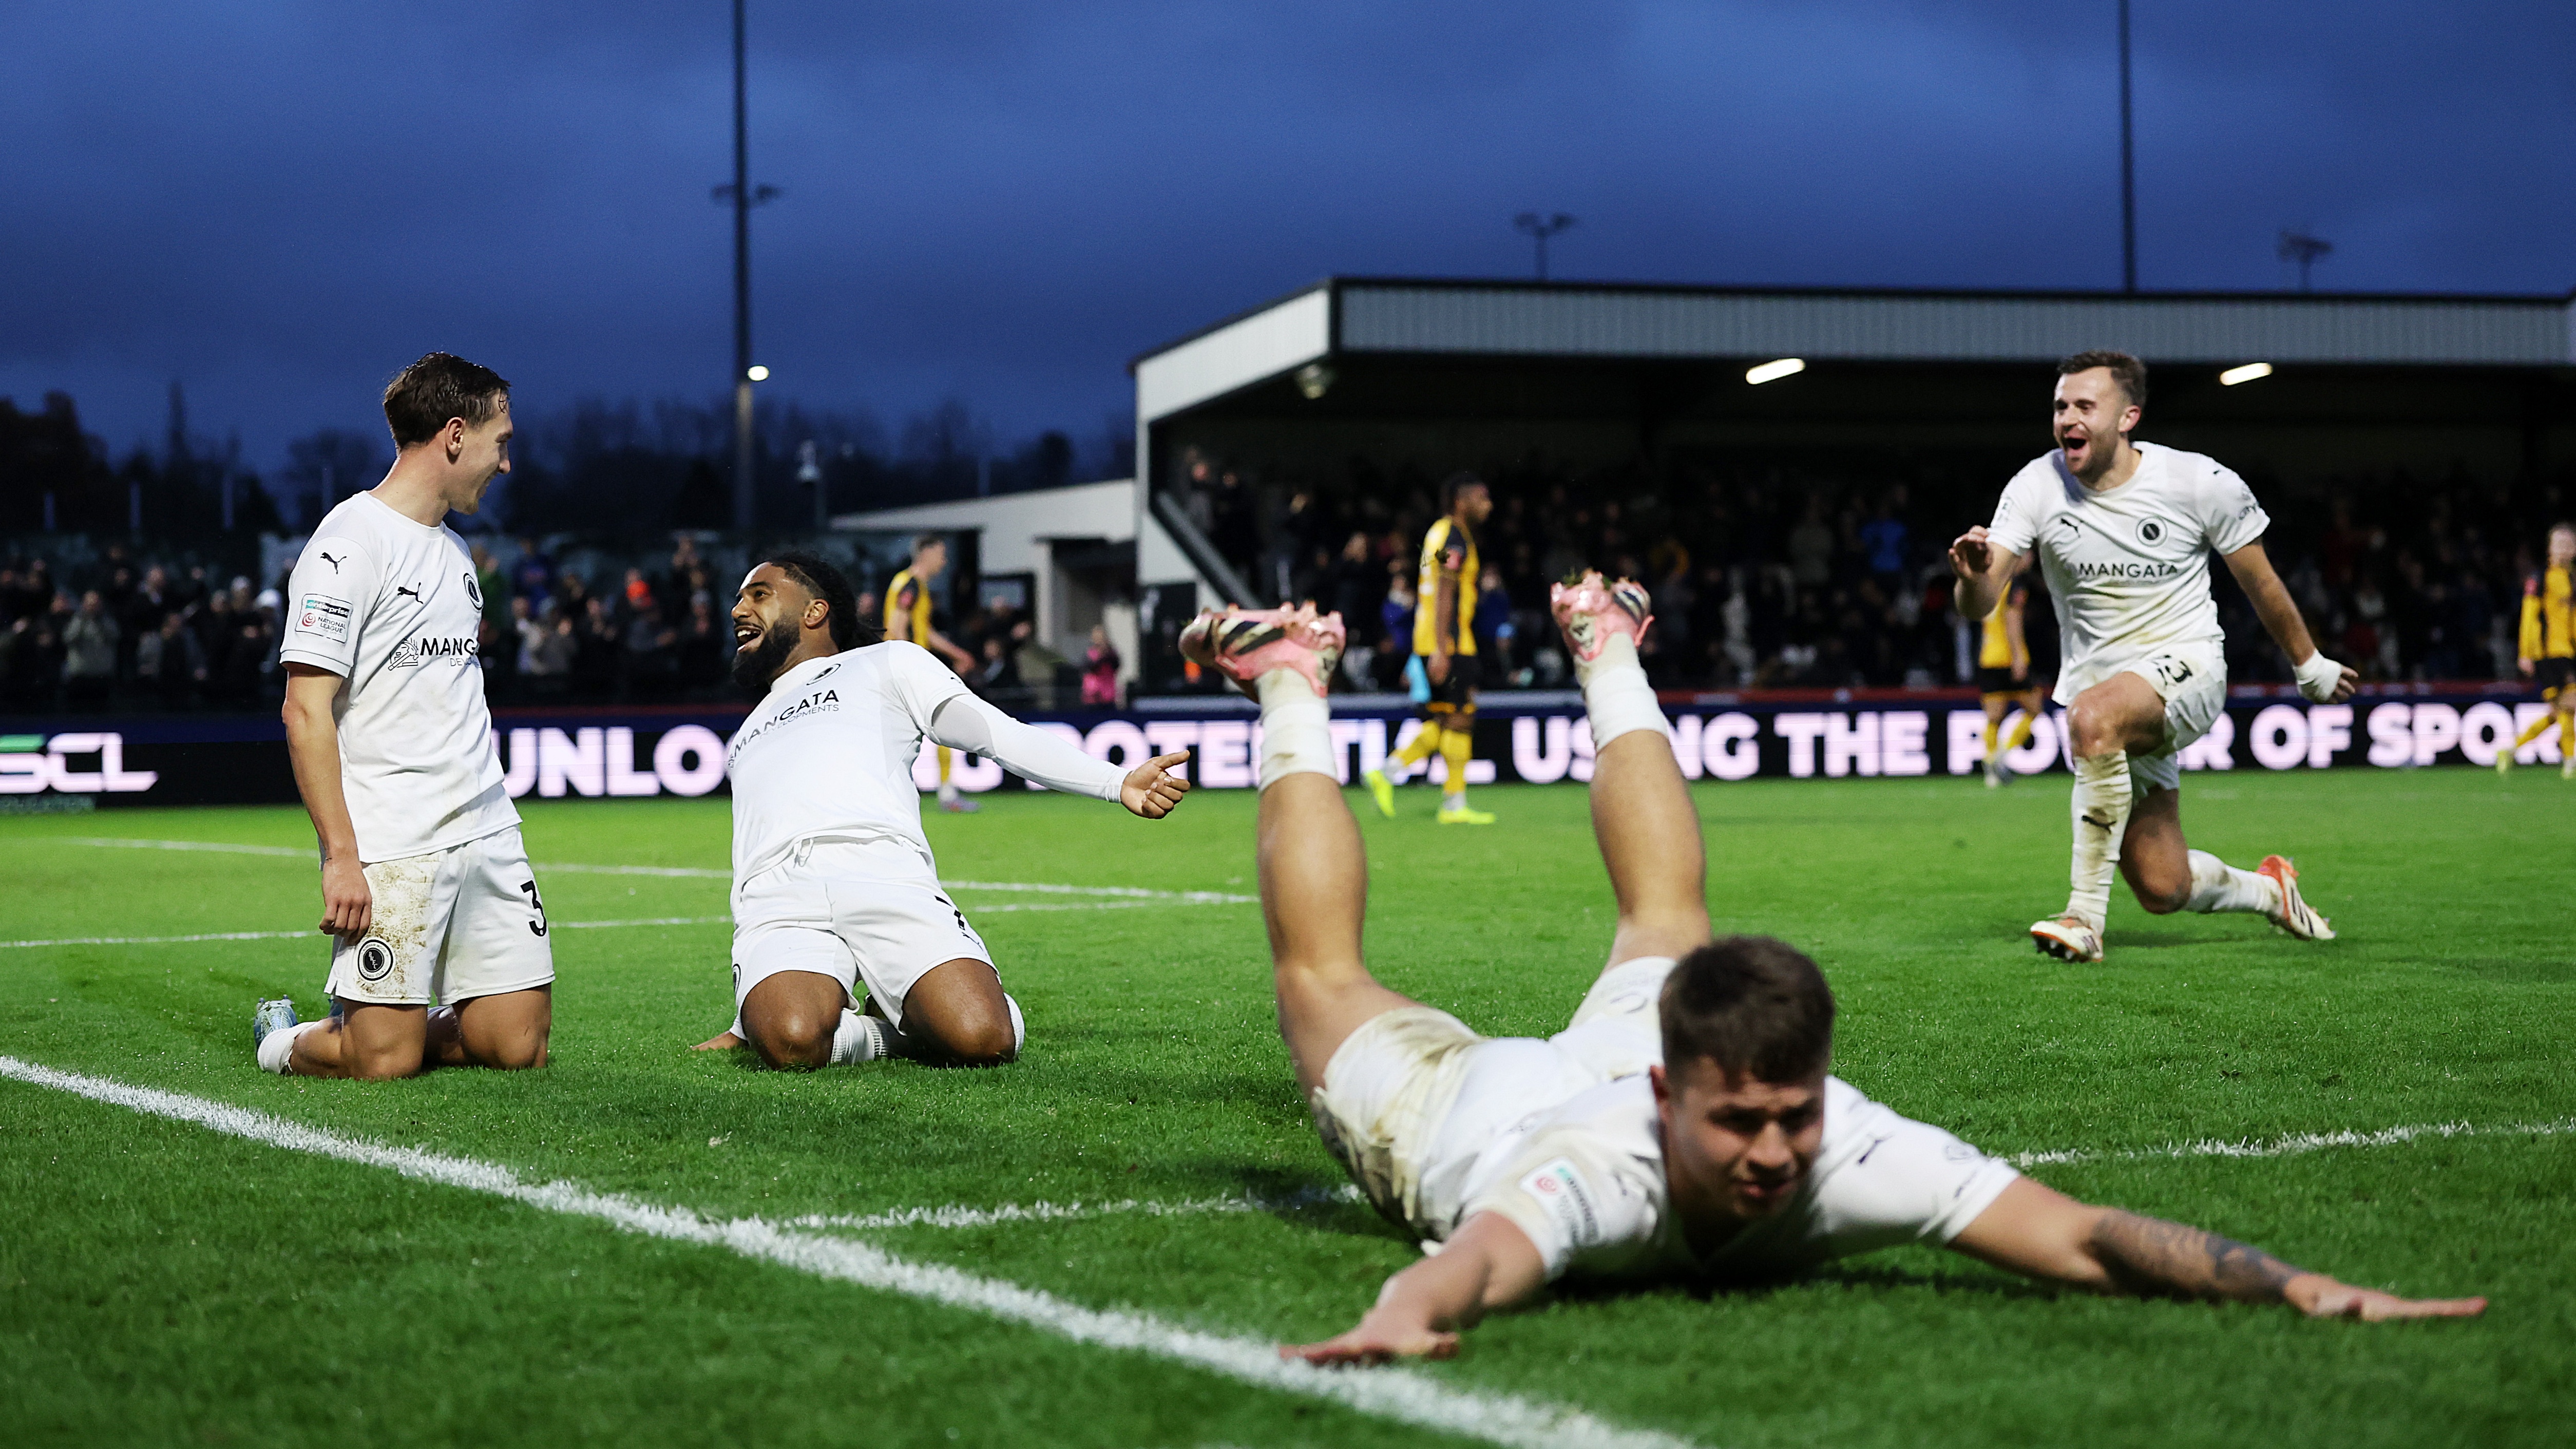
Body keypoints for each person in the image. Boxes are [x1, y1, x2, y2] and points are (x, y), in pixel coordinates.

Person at [1178, 576, 2484, 1365]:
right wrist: (1402, 1313)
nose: (1766, 1152)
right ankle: (1291, 679)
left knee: (1668, 922)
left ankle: (1609, 647)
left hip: (1618, 1059)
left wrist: (2297, 1282)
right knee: (1319, 982)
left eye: (1786, 1117)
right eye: (1736, 1124)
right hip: (1473, 1113)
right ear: (1666, 1094)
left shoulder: (1843, 1141)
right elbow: (1469, 1266)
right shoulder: (1588, 1174)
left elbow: (2084, 1236)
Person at [690, 552, 1192, 1069]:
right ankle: (886, 1032)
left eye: (759, 593)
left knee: (983, 1037)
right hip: (781, 893)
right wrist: (746, 1015)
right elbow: (748, 853)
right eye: (738, 598)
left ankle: (913, 1018)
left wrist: (1113, 780)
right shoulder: (746, 732)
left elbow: (996, 733)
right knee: (788, 1039)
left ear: (815, 611)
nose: (738, 609)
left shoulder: (887, 663)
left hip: (885, 870)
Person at [1949, 351, 2351, 964]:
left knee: (2090, 718)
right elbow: (1978, 602)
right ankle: (2270, 890)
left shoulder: (2197, 482)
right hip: (2110, 695)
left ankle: (2082, 918)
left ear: (2128, 416)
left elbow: (2260, 583)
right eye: (2060, 406)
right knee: (2163, 887)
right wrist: (1973, 575)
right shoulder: (2035, 484)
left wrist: (2309, 663)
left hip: (2188, 669)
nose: (2067, 417)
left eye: (2085, 405)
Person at [252, 352, 552, 1080]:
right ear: (455, 435)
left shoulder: (454, 553)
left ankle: (406, 1016)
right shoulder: (349, 541)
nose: (506, 462)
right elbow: (304, 710)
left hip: (486, 826)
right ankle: (281, 1038)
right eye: (500, 441)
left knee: (517, 1049)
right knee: (383, 1063)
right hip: (396, 839)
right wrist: (342, 857)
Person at [1363, 473, 1496, 825]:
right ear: (1460, 501)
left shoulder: (1439, 532)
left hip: (1434, 639)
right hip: (1448, 642)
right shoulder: (1453, 538)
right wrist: (1442, 648)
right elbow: (1444, 592)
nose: (1488, 505)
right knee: (1460, 715)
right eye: (1481, 498)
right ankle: (1450, 803)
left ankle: (1390, 772)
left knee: (1448, 716)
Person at [885, 535, 983, 813]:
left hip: (907, 668)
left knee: (934, 726)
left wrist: (957, 654)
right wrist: (906, 665)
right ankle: (946, 793)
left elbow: (923, 630)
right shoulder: (911, 584)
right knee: (940, 723)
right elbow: (896, 627)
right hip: (907, 671)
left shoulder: (914, 585)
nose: (944, 561)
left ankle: (946, 792)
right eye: (941, 554)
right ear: (925, 554)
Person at [2497, 521, 2574, 778]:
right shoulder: (2539, 578)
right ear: (2550, 548)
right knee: (2569, 704)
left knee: (2558, 711)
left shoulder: (2571, 579)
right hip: (2547, 653)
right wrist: (2525, 652)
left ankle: (2511, 749)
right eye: (2560, 544)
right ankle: (2570, 760)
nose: (2565, 549)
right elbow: (2529, 616)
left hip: (2569, 652)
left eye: (2570, 544)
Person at [1975, 570, 2049, 788]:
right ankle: (2003, 754)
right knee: (2035, 708)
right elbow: (2012, 619)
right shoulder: (2015, 586)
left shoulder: (1988, 586)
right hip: (2009, 657)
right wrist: (2018, 657)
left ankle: (1990, 766)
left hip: (1988, 657)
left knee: (1993, 717)